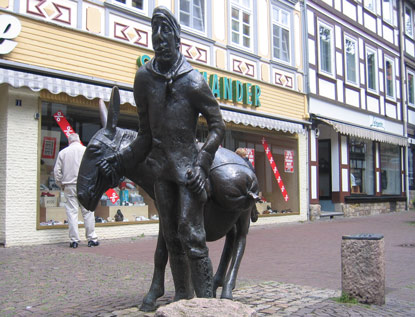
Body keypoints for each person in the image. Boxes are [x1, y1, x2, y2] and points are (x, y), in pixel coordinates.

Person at [98, 6, 225, 298]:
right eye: (155, 31)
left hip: (190, 172)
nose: (159, 37)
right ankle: (183, 298)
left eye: (166, 31)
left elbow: (218, 126)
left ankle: (206, 305)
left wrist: (203, 162)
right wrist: (119, 161)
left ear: (178, 38)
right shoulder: (144, 80)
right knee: (171, 238)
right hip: (162, 172)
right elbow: (144, 137)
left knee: (191, 234)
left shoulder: (193, 81)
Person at [54, 133, 99, 248]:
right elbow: (94, 169)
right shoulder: (86, 151)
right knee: (88, 212)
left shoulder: (63, 153)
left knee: (72, 212)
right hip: (84, 185)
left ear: (69, 141)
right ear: (79, 140)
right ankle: (91, 239)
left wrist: (61, 184)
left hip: (69, 185)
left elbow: (57, 172)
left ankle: (74, 240)